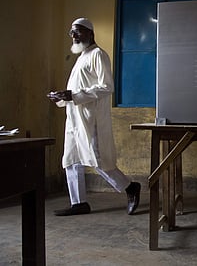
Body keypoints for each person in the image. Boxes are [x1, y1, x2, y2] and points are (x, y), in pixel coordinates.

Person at [48, 18, 141, 216]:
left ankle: (130, 187)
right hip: (73, 118)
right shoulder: (81, 56)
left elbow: (107, 87)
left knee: (98, 160)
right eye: (72, 32)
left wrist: (73, 95)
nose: (73, 35)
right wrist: (62, 97)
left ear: (90, 33)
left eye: (78, 31)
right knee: (70, 159)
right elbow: (76, 89)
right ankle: (78, 203)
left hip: (91, 119)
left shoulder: (98, 55)